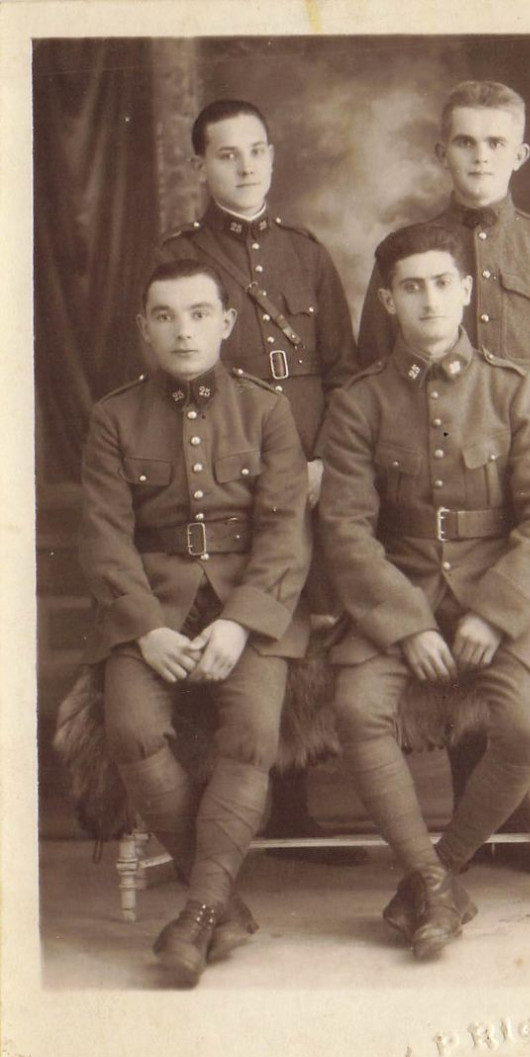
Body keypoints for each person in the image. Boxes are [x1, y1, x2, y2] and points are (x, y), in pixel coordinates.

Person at [319, 223, 530, 956]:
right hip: (393, 590)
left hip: (502, 587)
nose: (428, 300)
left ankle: (437, 875)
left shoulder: (514, 391)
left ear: (464, 291)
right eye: (410, 288)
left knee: (524, 726)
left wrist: (494, 616)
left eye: (440, 283)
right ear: (389, 302)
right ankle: (431, 882)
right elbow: (344, 528)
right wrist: (406, 626)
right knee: (355, 709)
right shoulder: (359, 403)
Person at [357, 80, 530, 865]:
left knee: (510, 643)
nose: (480, 156)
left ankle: (516, 824)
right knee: (455, 628)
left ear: (519, 153)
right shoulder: (411, 252)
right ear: (442, 151)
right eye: (465, 141)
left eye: (496, 142)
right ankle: (478, 827)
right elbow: (373, 361)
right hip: (430, 483)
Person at [79, 260, 312, 986]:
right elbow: (104, 539)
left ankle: (199, 914)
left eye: (198, 314)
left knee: (249, 737)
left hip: (250, 604)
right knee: (130, 731)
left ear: (226, 324)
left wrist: (241, 624)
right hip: (153, 606)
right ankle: (220, 905)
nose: (184, 331)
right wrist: (146, 627)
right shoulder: (113, 417)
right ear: (145, 327)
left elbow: (283, 534)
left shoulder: (267, 410)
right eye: (166, 316)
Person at [150, 98, 363, 863]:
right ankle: (249, 803)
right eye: (226, 155)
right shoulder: (179, 255)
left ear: (273, 157)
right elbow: (168, 376)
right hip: (231, 475)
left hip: (307, 472)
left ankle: (300, 805)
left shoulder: (306, 253)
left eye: (256, 151)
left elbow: (343, 372)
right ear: (200, 165)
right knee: (248, 622)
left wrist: (319, 461)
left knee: (306, 630)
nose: (244, 167)